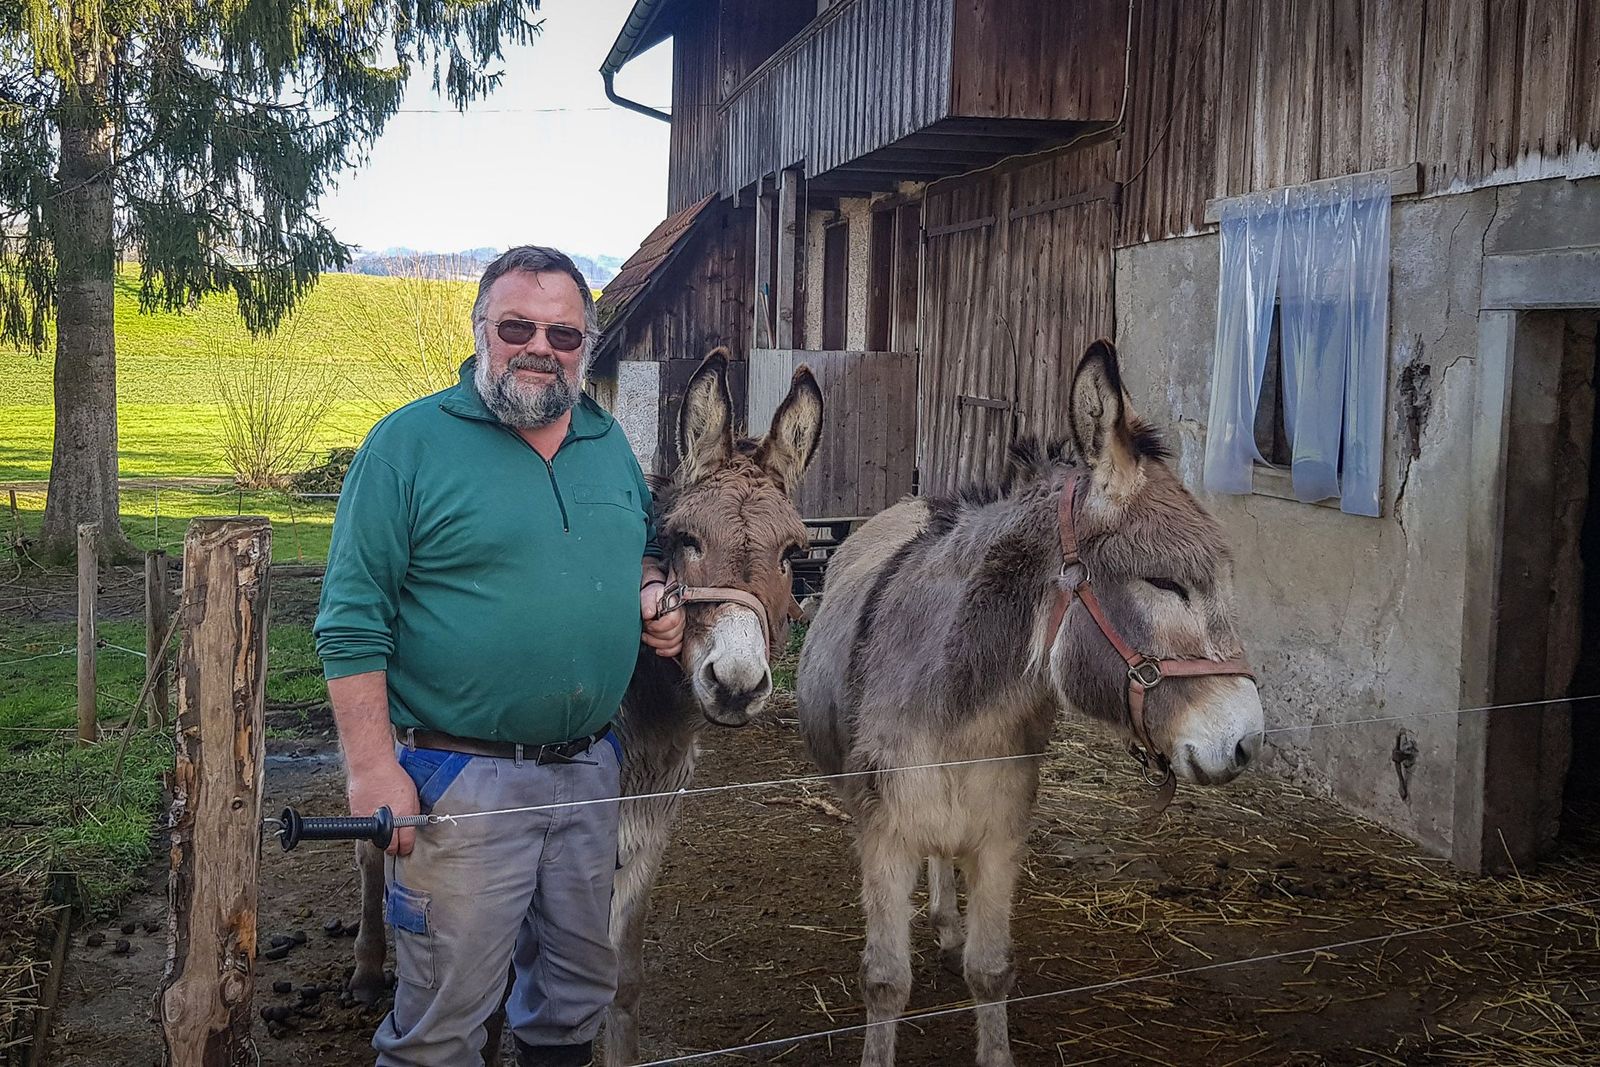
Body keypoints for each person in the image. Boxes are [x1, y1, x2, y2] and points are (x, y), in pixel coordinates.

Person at [314, 245, 684, 1067]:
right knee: (443, 1019)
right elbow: (349, 622)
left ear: (587, 344)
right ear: (481, 329)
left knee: (572, 1001)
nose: (540, 347)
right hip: (460, 776)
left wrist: (651, 590)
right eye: (517, 325)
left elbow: (643, 546)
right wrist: (372, 768)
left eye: (564, 334)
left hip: (591, 769)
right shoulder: (408, 446)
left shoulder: (606, 445)